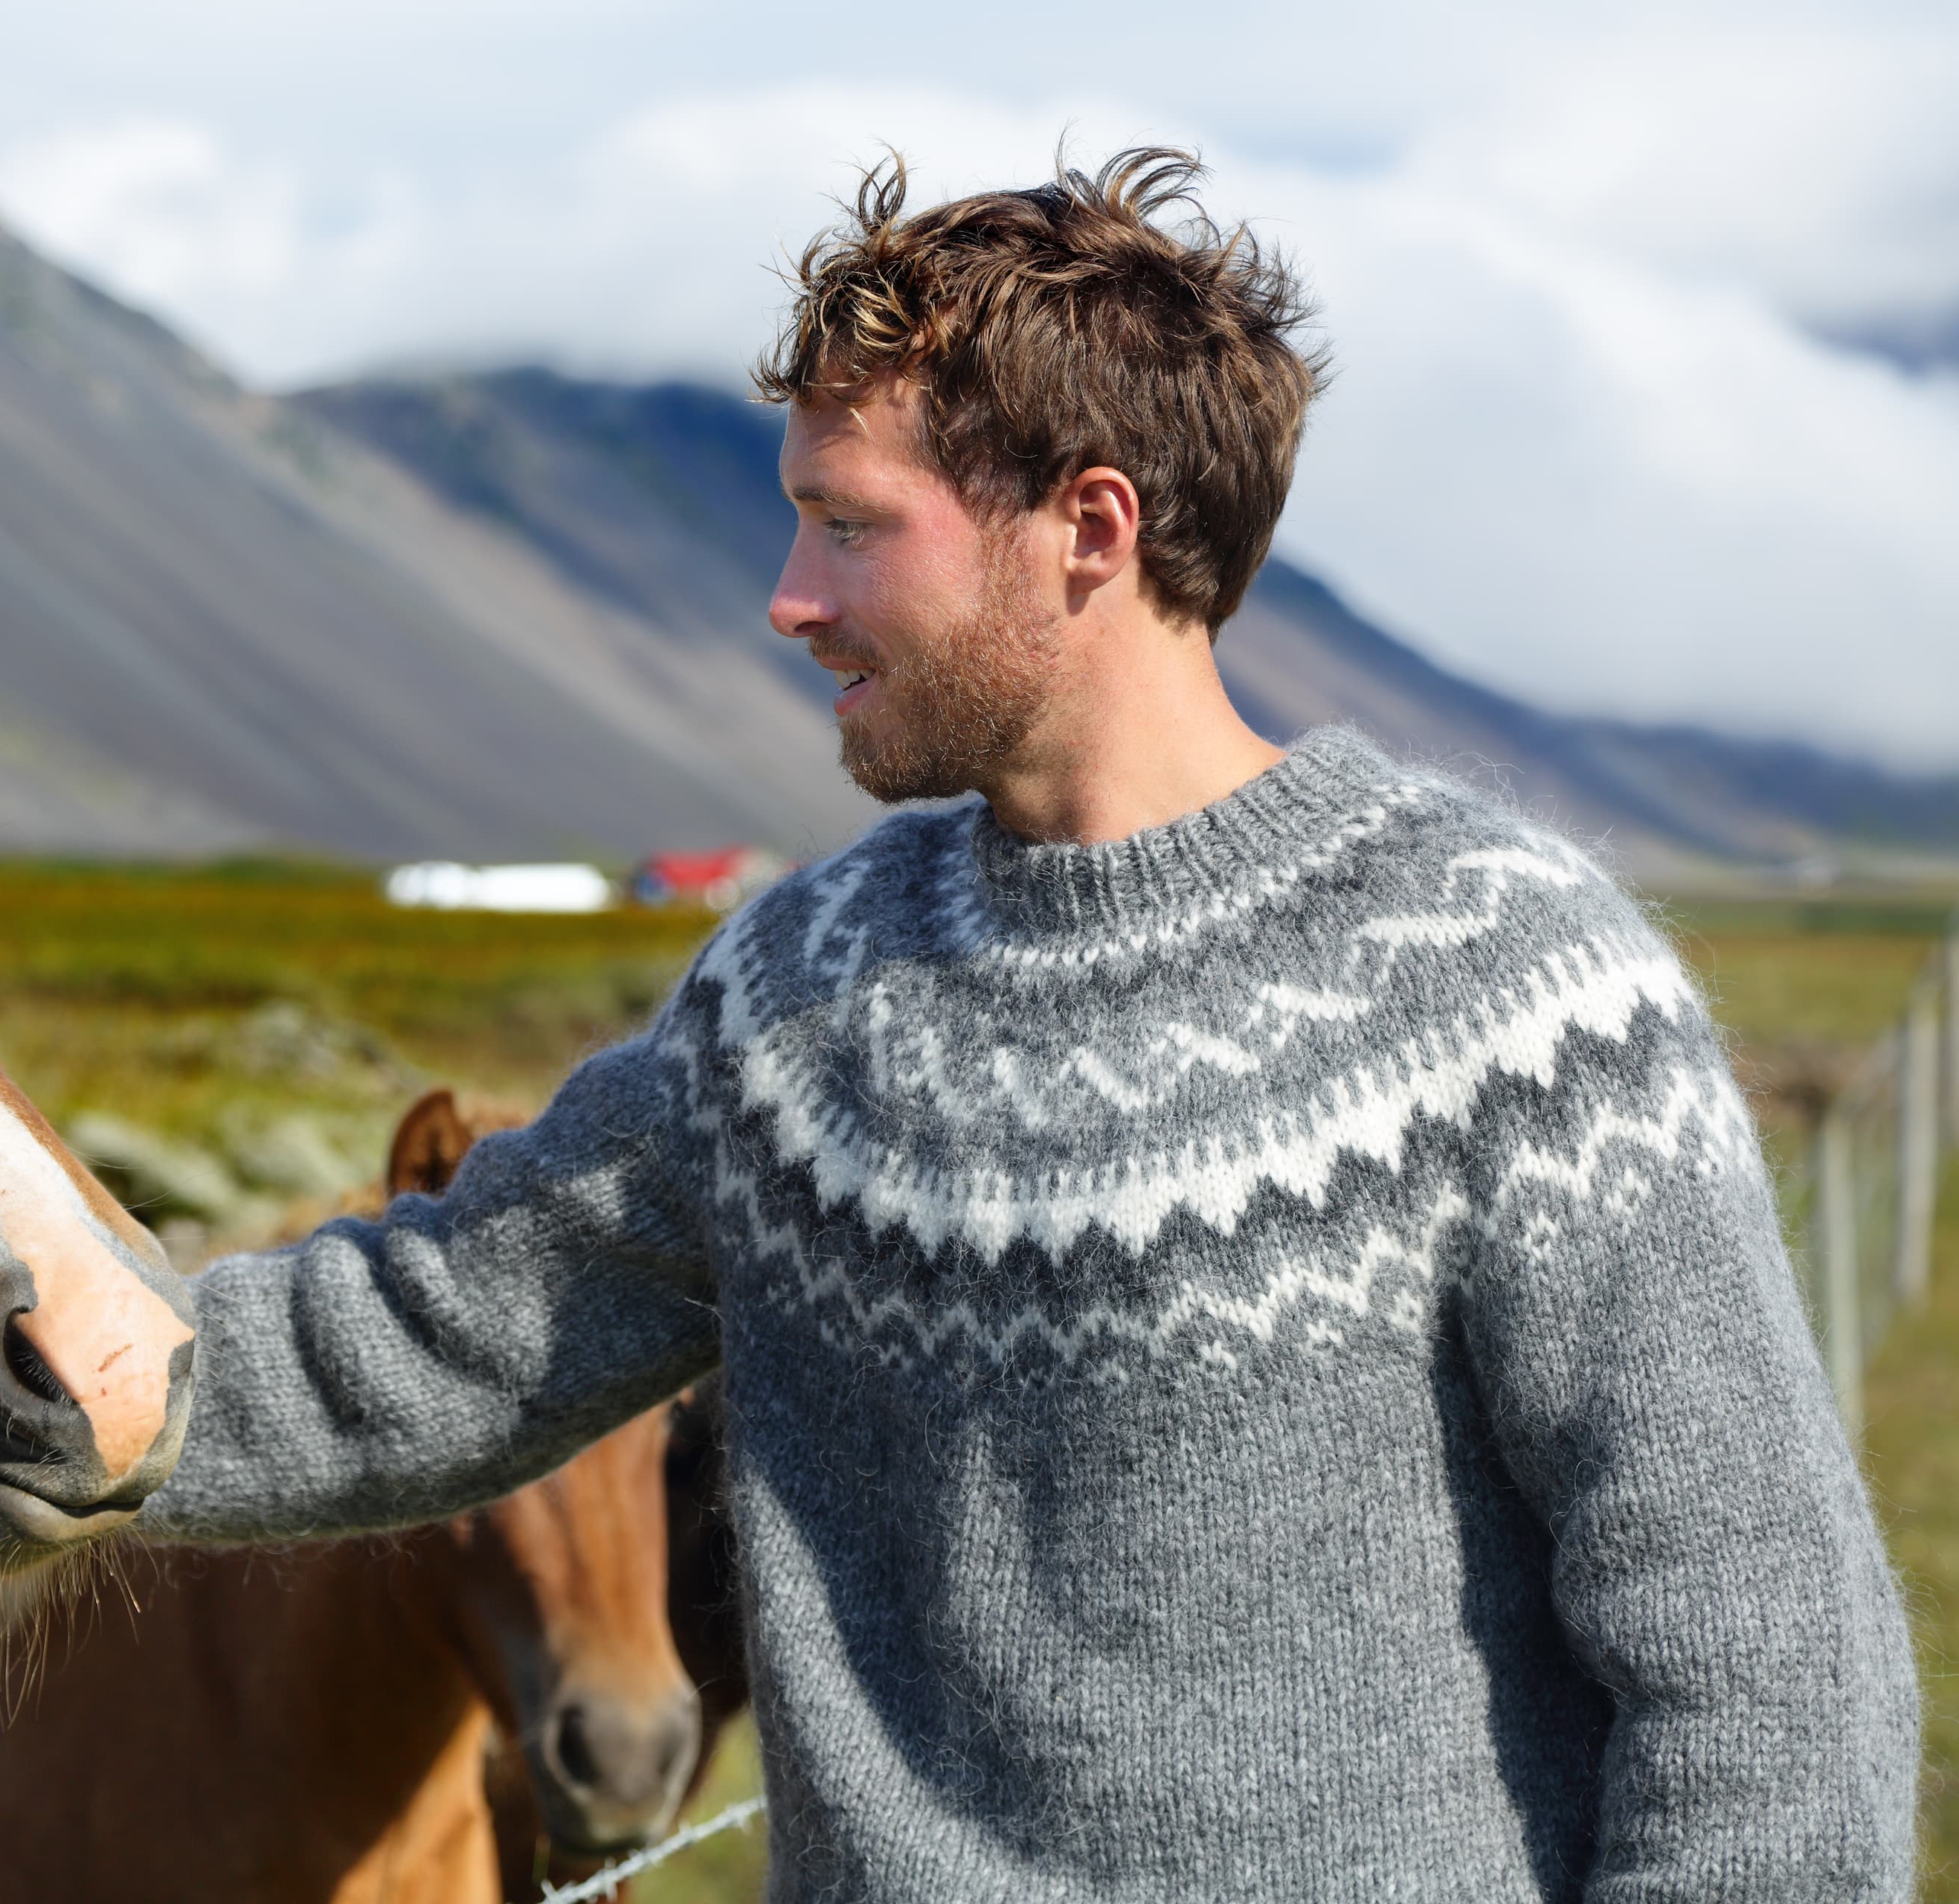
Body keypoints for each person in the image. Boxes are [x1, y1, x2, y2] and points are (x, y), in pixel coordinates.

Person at [139, 148, 1917, 1899]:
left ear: (1089, 528)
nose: (791, 595)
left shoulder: (1520, 993)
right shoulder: (791, 1000)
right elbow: (435, 1324)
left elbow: (1768, 1675)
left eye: (851, 526)